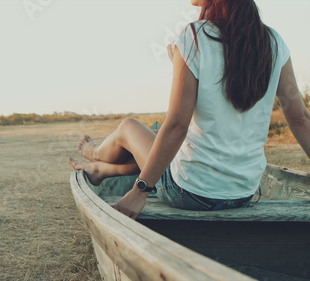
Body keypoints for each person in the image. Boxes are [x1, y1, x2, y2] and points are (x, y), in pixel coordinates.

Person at [69, 0, 310, 219]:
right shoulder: (274, 41)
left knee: (128, 126)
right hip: (244, 192)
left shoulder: (194, 37)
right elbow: (299, 118)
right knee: (156, 141)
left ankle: (95, 153)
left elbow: (177, 125)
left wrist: (139, 191)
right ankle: (101, 169)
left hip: (190, 193)